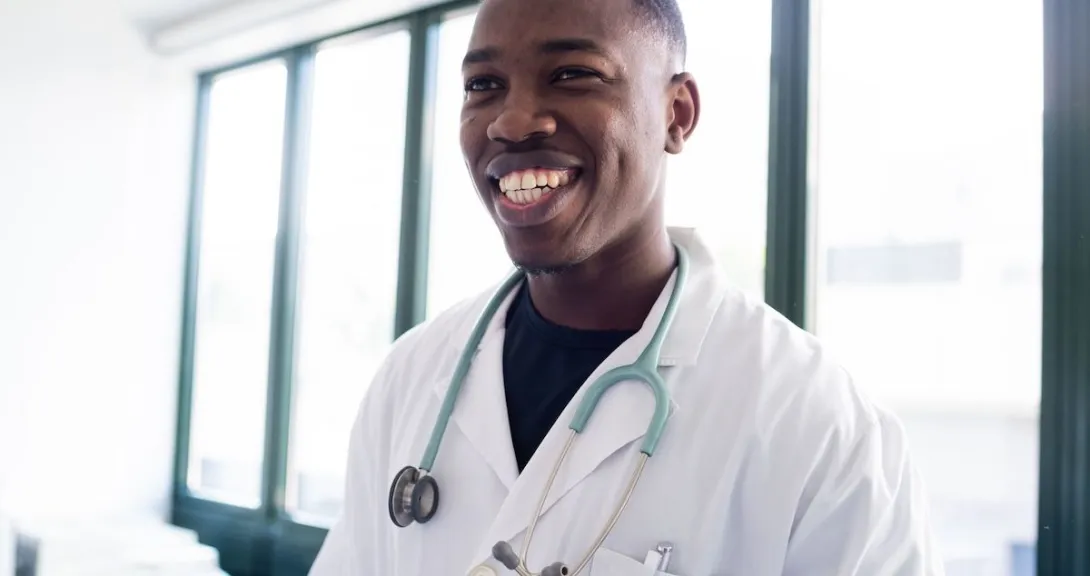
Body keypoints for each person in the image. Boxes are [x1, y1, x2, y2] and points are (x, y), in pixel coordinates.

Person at [309, 0, 944, 573]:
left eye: (571, 74)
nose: (512, 119)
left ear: (678, 114)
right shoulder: (411, 377)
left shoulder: (814, 420)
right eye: (484, 85)